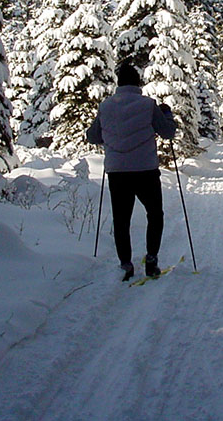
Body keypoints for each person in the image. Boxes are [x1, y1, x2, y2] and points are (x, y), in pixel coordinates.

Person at [86, 62, 177, 281]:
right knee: (155, 215)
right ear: (138, 83)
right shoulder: (148, 105)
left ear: (119, 83)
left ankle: (125, 264)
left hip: (117, 172)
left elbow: (93, 137)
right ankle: (152, 259)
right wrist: (167, 115)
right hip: (146, 170)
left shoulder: (105, 106)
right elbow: (167, 133)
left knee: (121, 219)